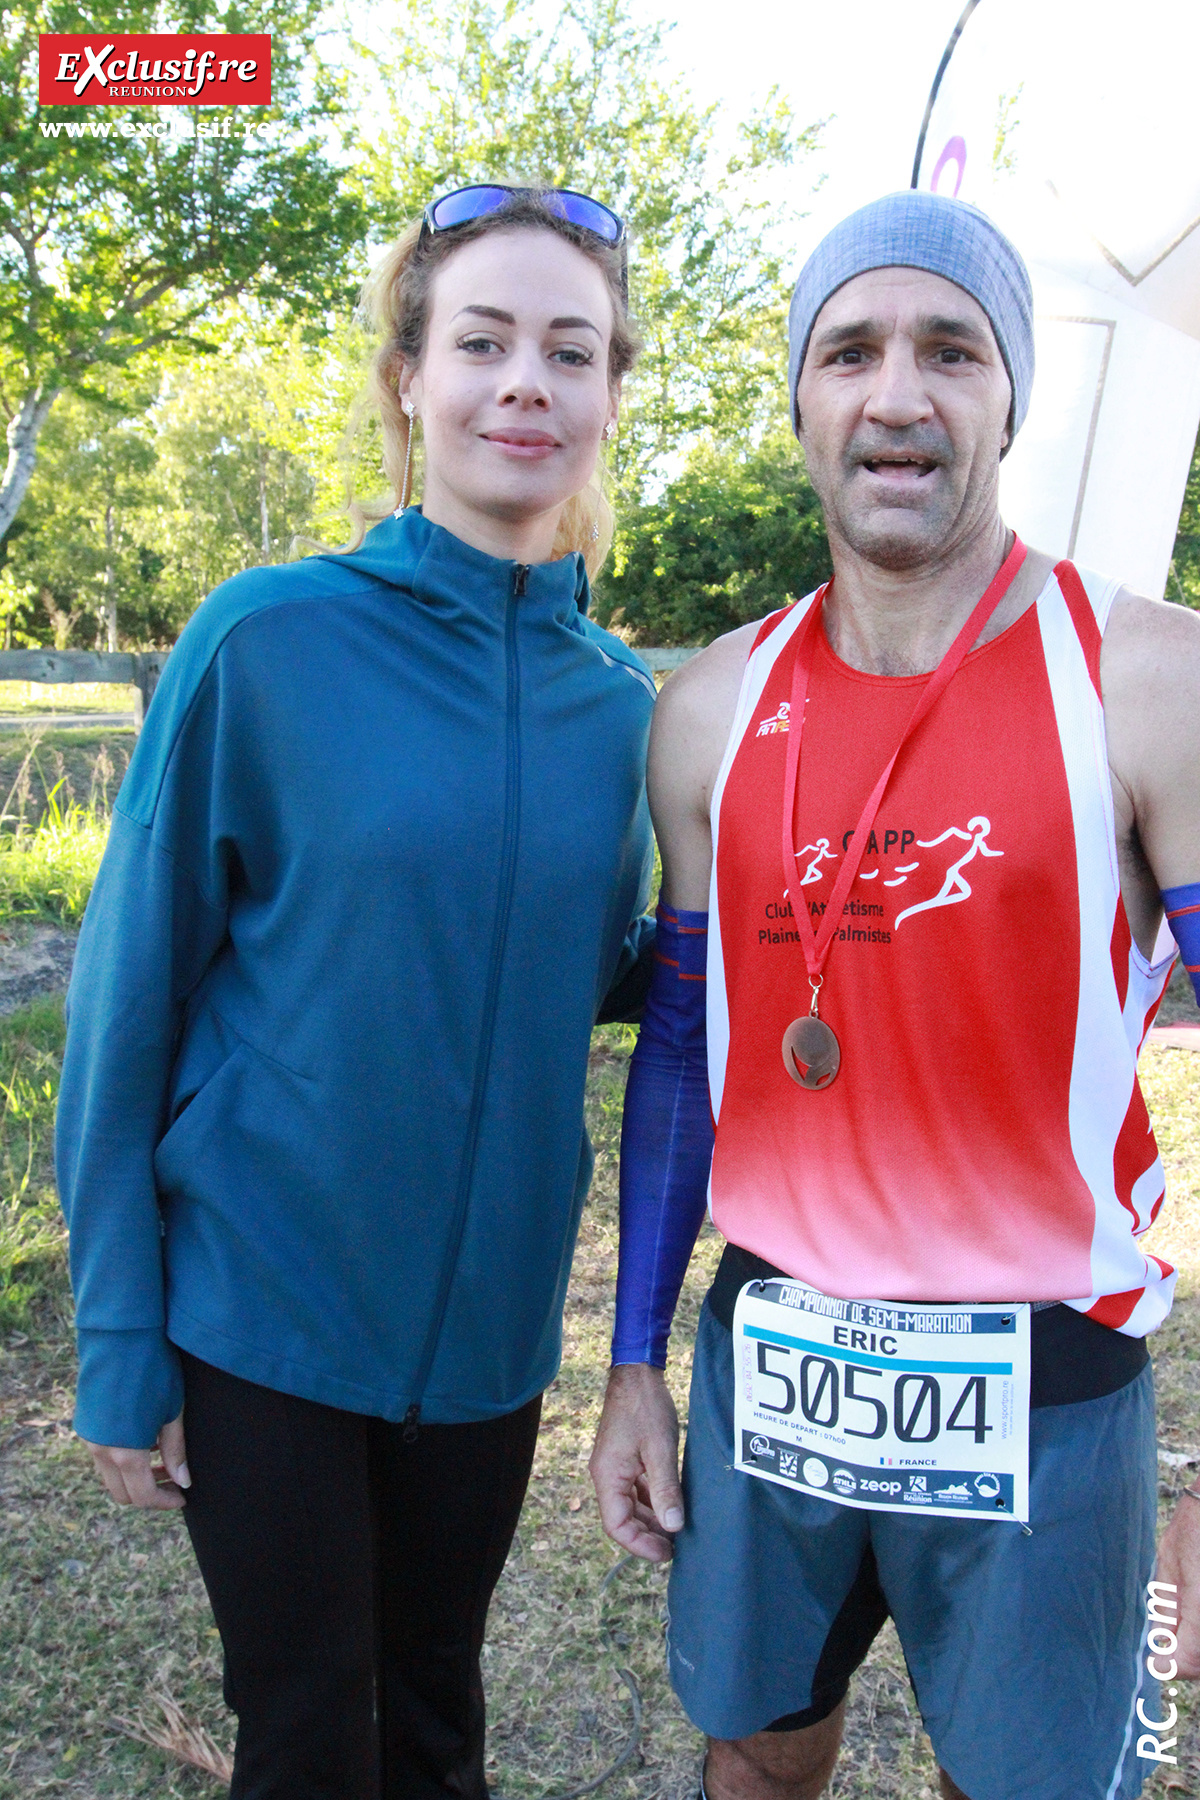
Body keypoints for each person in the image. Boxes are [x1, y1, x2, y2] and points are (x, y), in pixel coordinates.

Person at [589, 189, 1200, 1800]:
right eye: (850, 350)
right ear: (802, 399)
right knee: (757, 1755)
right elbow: (677, 1053)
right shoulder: (714, 704)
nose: (898, 393)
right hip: (773, 1357)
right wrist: (636, 1359)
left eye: (951, 349)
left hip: (1046, 1379)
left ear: (1012, 396)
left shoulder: (1147, 679)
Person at [57, 183, 657, 1800]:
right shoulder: (268, 641)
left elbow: (590, 967)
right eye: (482, 340)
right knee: (313, 1734)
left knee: (439, 1720)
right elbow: (126, 1004)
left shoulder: (627, 709)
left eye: (569, 349)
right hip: (264, 1317)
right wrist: (120, 1336)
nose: (525, 380)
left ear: (609, 396)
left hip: (489, 1341)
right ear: (409, 377)